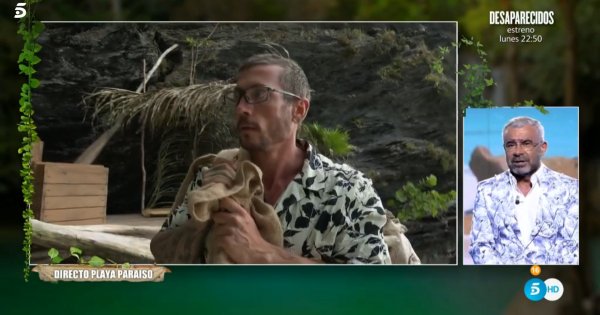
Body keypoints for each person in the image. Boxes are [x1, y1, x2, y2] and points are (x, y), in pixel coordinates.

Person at [151, 53, 393, 264]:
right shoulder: (213, 177)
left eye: (259, 94)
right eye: (239, 96)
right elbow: (168, 259)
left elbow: (372, 289)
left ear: (298, 109)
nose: (241, 108)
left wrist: (262, 254)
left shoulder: (347, 192)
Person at [469, 116, 579, 265]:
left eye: (526, 143)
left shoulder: (569, 189)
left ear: (543, 147)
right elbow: (480, 247)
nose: (517, 151)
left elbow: (573, 247)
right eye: (511, 145)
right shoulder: (486, 191)